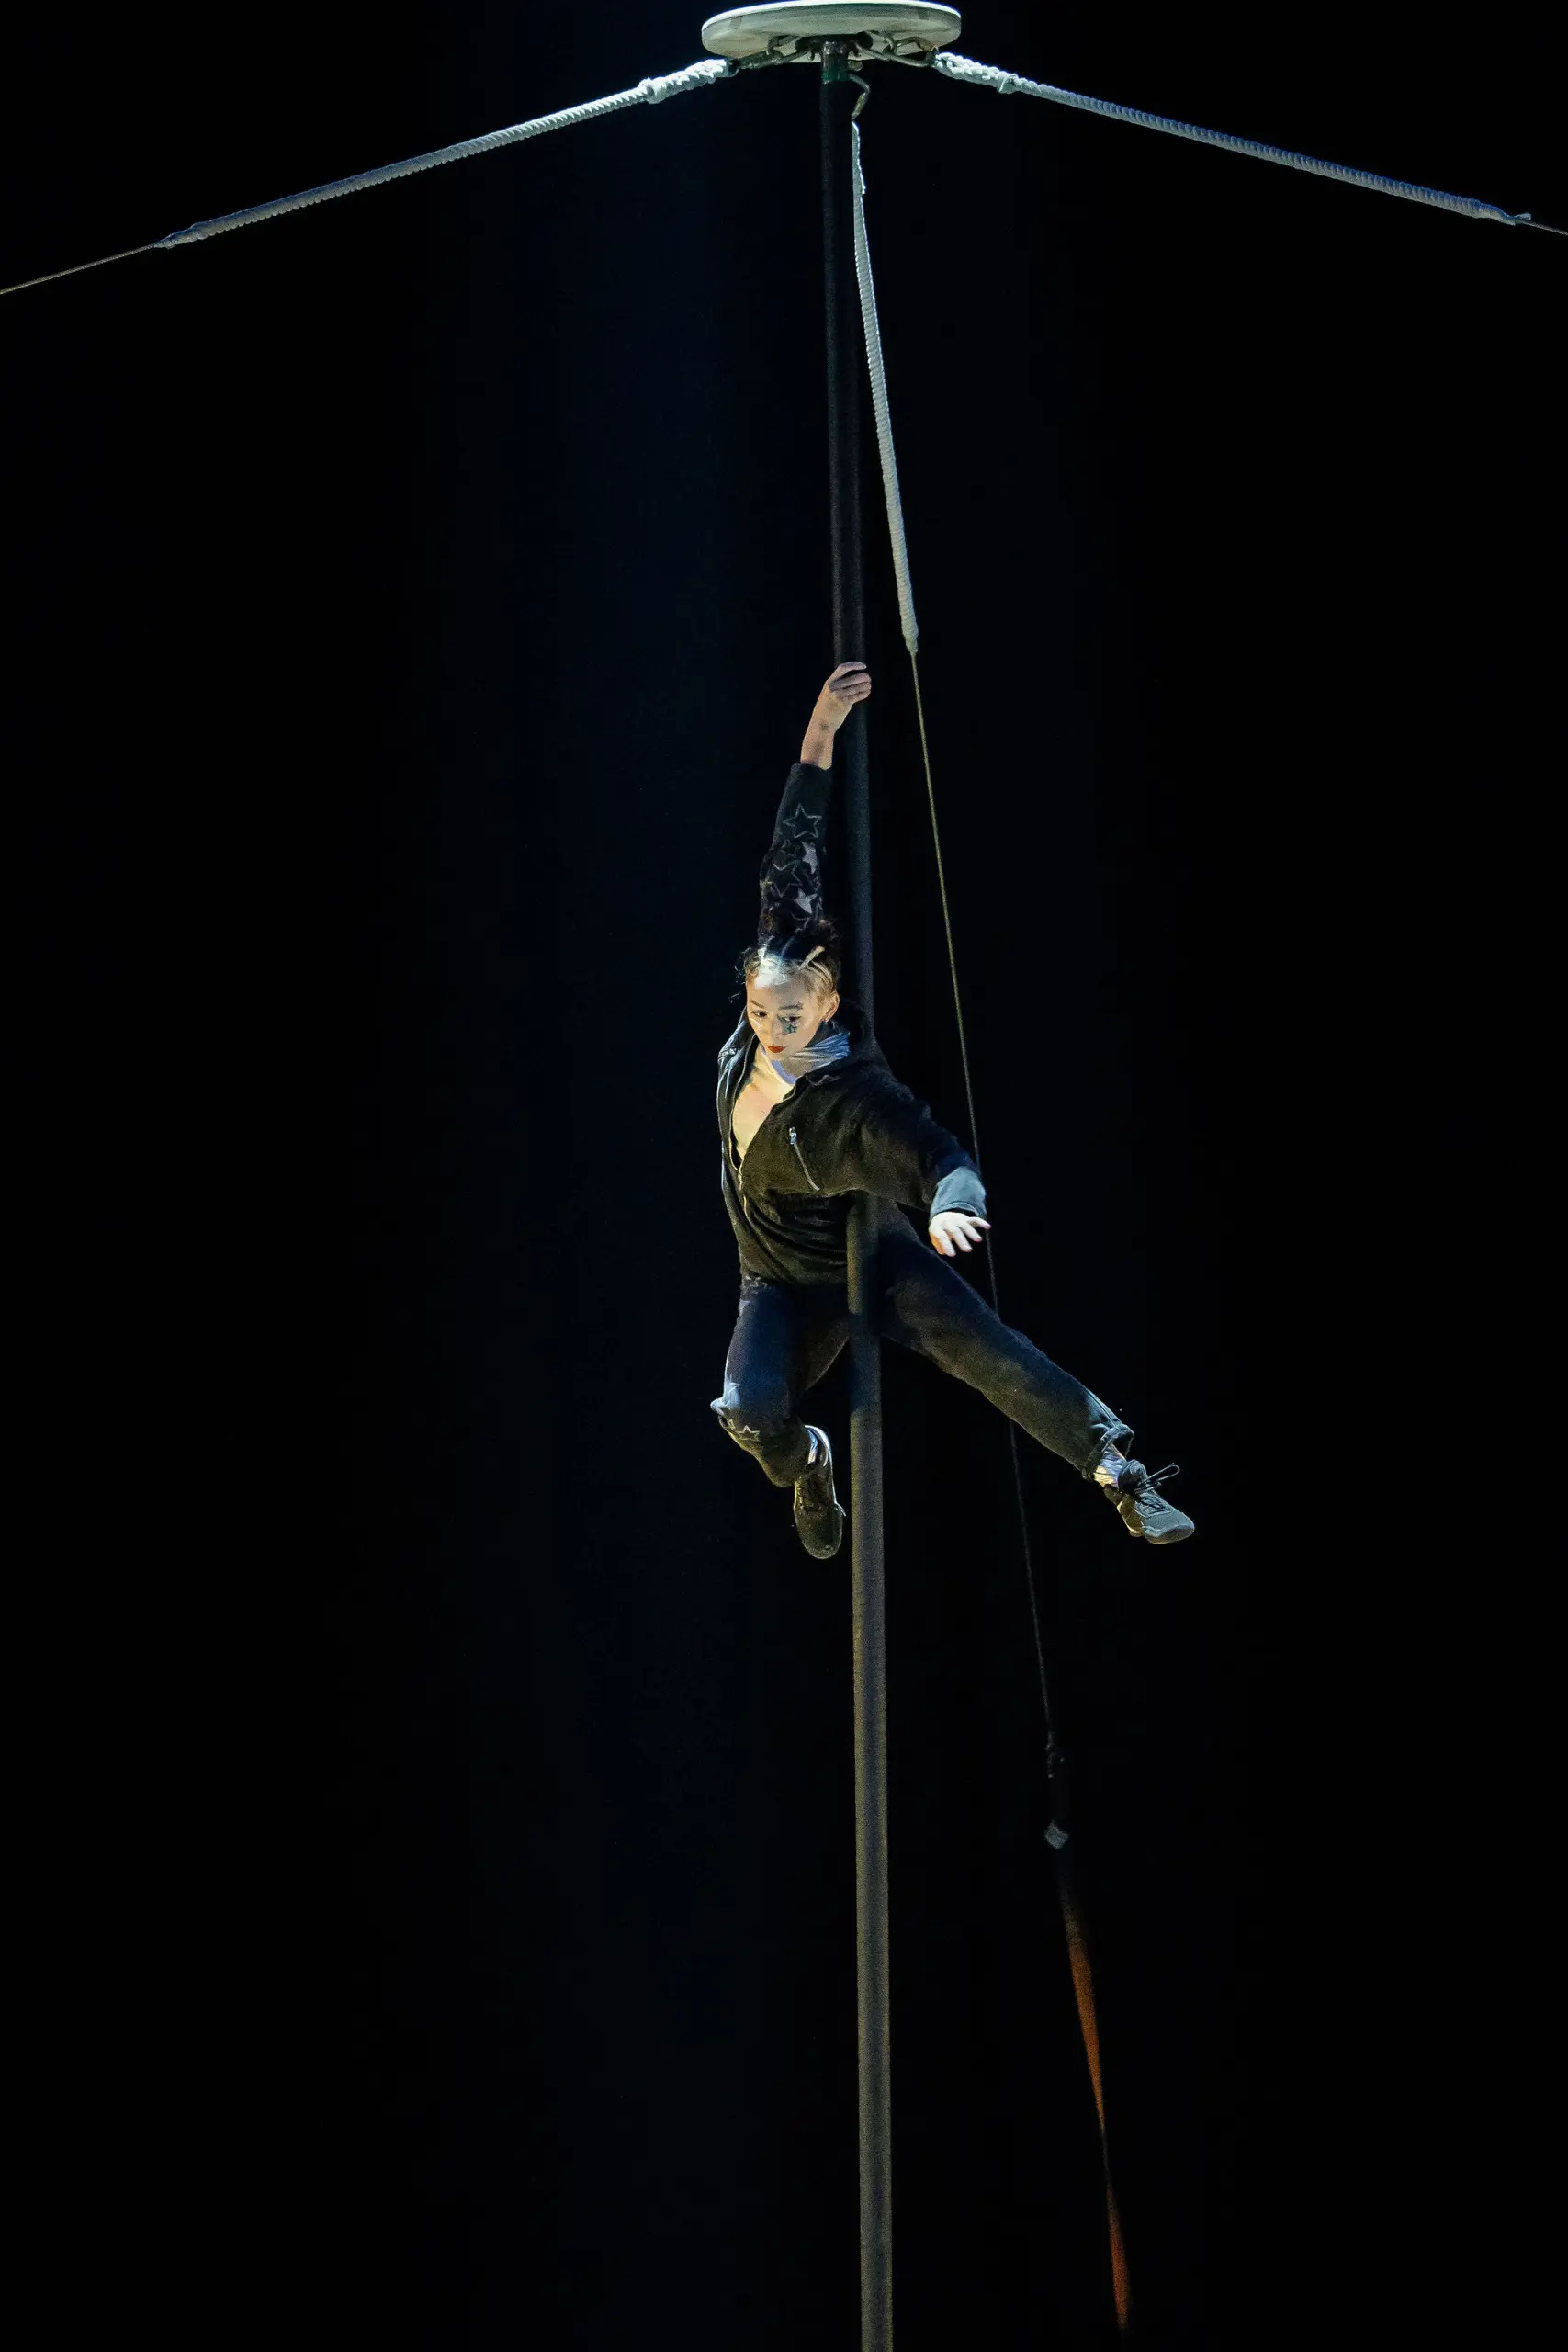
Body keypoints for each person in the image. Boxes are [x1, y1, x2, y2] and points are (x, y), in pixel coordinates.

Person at [712, 662, 1194, 1558]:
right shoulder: (777, 976)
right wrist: (820, 730)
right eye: (758, 1010)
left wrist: (952, 1203)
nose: (771, 1028)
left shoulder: (858, 1098)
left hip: (876, 1258)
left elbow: (938, 1153)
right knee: (746, 1408)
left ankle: (1115, 1469)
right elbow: (796, 847)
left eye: (789, 1016)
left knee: (983, 1345)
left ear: (827, 1006)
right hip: (778, 1280)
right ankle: (809, 1461)